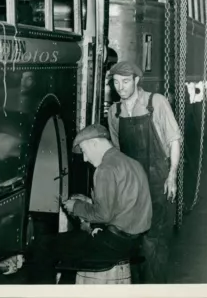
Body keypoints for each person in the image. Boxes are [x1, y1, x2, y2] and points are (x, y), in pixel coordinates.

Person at [20, 124, 152, 283]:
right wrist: (88, 201)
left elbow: (102, 215)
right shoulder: (133, 163)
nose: (85, 158)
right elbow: (124, 205)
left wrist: (75, 207)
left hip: (112, 246)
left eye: (84, 151)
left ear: (95, 143)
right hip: (134, 243)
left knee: (43, 246)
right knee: (69, 245)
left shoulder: (105, 169)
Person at [107, 60, 182, 284]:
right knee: (132, 238)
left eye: (126, 82)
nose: (120, 87)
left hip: (158, 179)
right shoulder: (114, 112)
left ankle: (156, 288)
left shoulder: (155, 102)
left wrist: (172, 175)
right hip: (132, 184)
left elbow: (174, 140)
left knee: (155, 240)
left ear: (137, 81)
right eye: (116, 82)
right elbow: (117, 152)